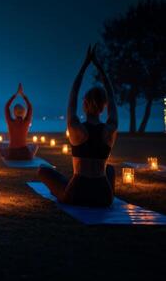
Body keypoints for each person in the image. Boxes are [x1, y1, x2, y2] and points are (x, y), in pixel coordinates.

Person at [38, 46, 117, 207]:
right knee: (109, 170)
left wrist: (84, 65)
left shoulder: (75, 127)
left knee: (42, 170)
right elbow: (111, 96)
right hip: (103, 196)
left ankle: (68, 185)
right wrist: (101, 69)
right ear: (104, 106)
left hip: (77, 194)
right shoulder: (110, 129)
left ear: (85, 104)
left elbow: (73, 94)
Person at [0, 83, 37, 160]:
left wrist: (15, 95)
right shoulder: (26, 122)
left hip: (12, 154)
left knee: (1, 147)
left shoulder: (10, 122)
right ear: (24, 113)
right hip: (25, 155)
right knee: (35, 146)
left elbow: (6, 107)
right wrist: (22, 95)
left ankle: (3, 152)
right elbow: (30, 107)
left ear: (14, 112)